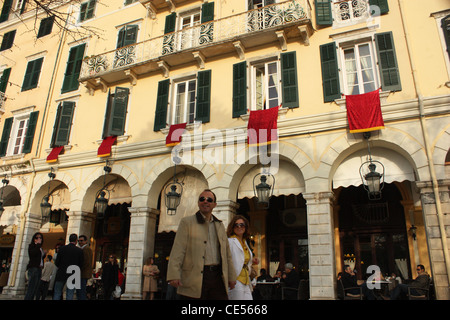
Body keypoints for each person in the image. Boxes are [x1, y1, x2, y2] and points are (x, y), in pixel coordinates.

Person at [167, 189, 237, 299]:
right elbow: (178, 249)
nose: (205, 201)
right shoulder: (187, 222)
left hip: (217, 277)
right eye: (202, 199)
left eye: (209, 200)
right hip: (195, 277)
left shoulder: (219, 225)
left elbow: (227, 254)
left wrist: (231, 276)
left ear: (214, 204)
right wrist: (173, 275)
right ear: (198, 203)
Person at [227, 215, 259, 300]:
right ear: (232, 227)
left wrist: (252, 260)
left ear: (245, 227)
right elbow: (227, 260)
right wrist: (230, 278)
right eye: (236, 225)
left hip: (246, 280)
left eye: (242, 225)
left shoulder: (244, 242)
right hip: (236, 279)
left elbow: (242, 258)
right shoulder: (230, 242)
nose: (239, 227)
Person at [53, 234, 84, 300]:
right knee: (70, 294)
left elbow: (57, 262)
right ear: (76, 241)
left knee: (57, 293)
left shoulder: (62, 249)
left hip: (61, 273)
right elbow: (81, 264)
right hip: (73, 274)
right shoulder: (79, 251)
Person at [24, 232, 45, 300]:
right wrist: (38, 245)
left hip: (39, 268)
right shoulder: (32, 246)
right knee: (31, 288)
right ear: (34, 239)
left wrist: (44, 254)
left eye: (40, 238)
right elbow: (33, 254)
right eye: (37, 238)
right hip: (33, 268)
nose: (38, 239)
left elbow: (39, 258)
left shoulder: (40, 248)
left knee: (35, 288)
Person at [77, 235, 93, 300]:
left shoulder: (86, 249)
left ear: (86, 241)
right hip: (81, 273)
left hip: (83, 273)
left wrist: (79, 269)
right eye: (79, 241)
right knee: (80, 291)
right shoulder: (82, 249)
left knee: (81, 291)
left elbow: (86, 261)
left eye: (81, 241)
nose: (80, 242)